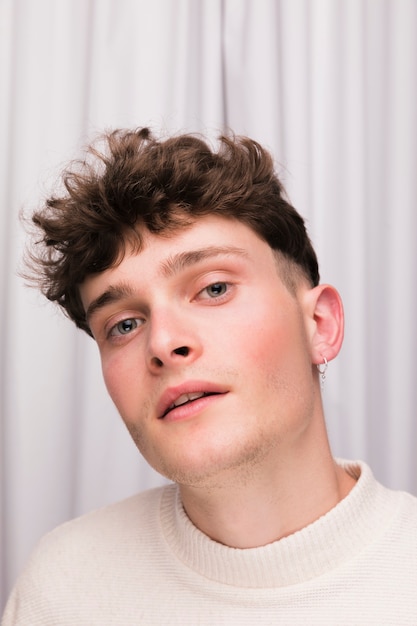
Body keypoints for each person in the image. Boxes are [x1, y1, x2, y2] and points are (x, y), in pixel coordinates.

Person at [2, 128, 416, 625]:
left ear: (319, 325)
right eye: (125, 325)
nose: (162, 343)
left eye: (214, 288)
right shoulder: (63, 590)